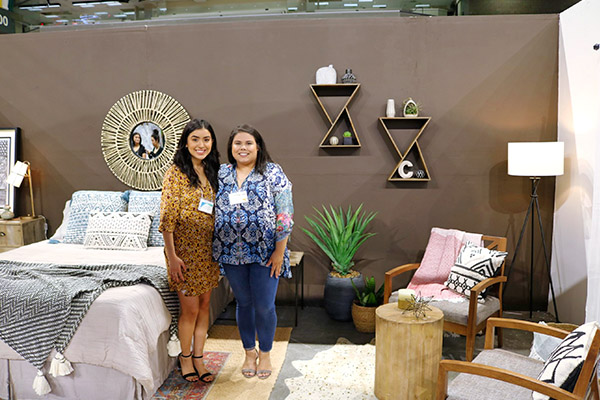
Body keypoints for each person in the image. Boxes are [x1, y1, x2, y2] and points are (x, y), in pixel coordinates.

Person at [213, 124, 294, 379]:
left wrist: (279, 252)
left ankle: (266, 353)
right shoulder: (222, 173)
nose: (243, 148)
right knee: (244, 303)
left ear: (258, 146)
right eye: (238, 143)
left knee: (265, 306)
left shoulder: (272, 172)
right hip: (230, 252)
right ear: (231, 148)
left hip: (266, 252)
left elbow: (285, 214)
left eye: (248, 143)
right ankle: (249, 352)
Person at [159, 118, 221, 383]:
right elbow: (167, 217)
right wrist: (172, 257)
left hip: (208, 251)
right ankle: (185, 359)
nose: (201, 144)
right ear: (186, 142)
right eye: (195, 139)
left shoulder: (212, 170)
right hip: (183, 252)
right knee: (191, 309)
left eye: (206, 139)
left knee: (205, 305)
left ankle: (199, 358)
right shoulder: (176, 172)